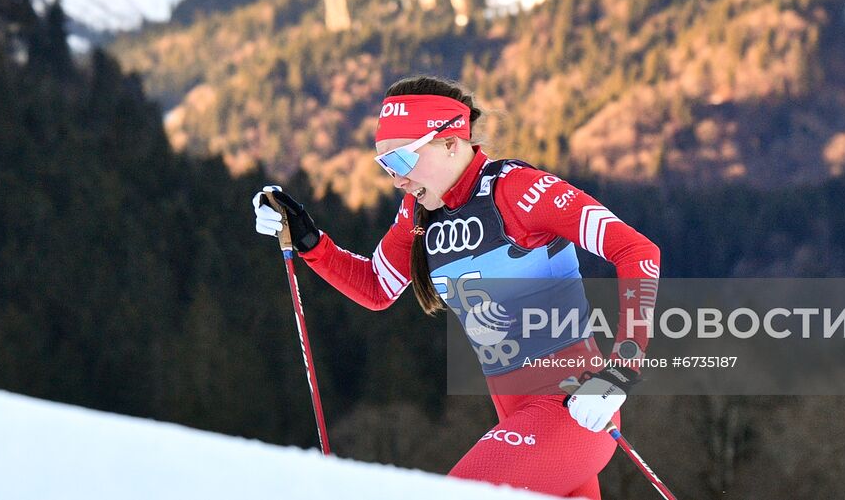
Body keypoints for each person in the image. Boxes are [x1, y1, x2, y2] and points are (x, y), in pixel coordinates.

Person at [252, 75, 662, 499]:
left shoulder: (520, 191)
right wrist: (308, 240)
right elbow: (376, 286)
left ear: (451, 143)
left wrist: (620, 373)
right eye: (386, 166)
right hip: (523, 424)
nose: (397, 180)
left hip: (574, 411)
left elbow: (637, 252)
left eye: (403, 162)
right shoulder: (420, 212)